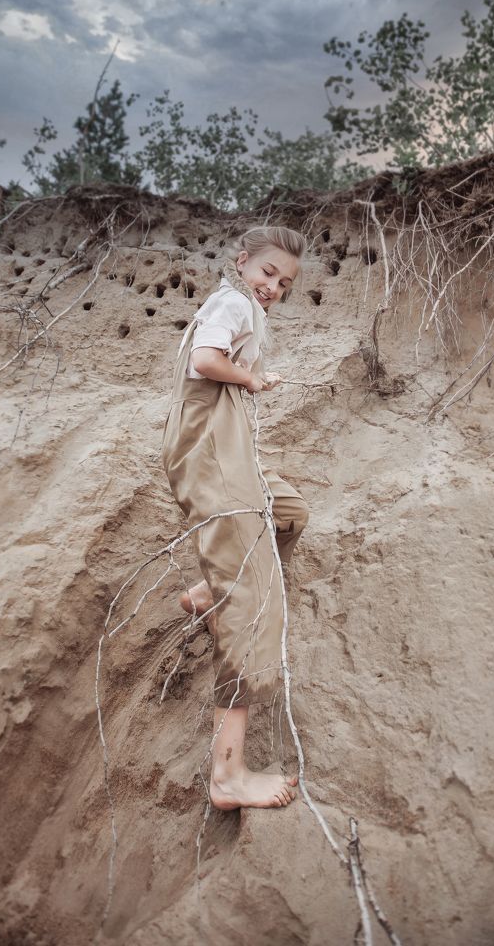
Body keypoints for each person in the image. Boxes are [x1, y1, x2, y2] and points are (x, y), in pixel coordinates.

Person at [161, 225, 309, 810]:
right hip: (211, 453)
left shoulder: (244, 307)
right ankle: (227, 774)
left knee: (289, 513)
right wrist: (249, 377)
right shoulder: (232, 301)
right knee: (250, 599)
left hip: (228, 450)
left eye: (285, 283)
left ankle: (206, 593)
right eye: (268, 272)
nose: (274, 286)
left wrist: (251, 378)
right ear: (243, 262)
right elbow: (205, 359)